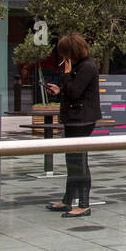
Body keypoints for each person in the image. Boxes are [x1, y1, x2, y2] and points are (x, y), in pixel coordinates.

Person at [44, 32, 101, 218]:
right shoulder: (79, 66)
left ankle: (84, 204)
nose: (62, 58)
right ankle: (68, 199)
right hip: (74, 118)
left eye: (64, 53)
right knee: (72, 161)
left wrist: (67, 77)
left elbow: (76, 92)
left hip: (82, 119)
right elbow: (72, 92)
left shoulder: (86, 67)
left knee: (79, 161)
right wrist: (60, 90)